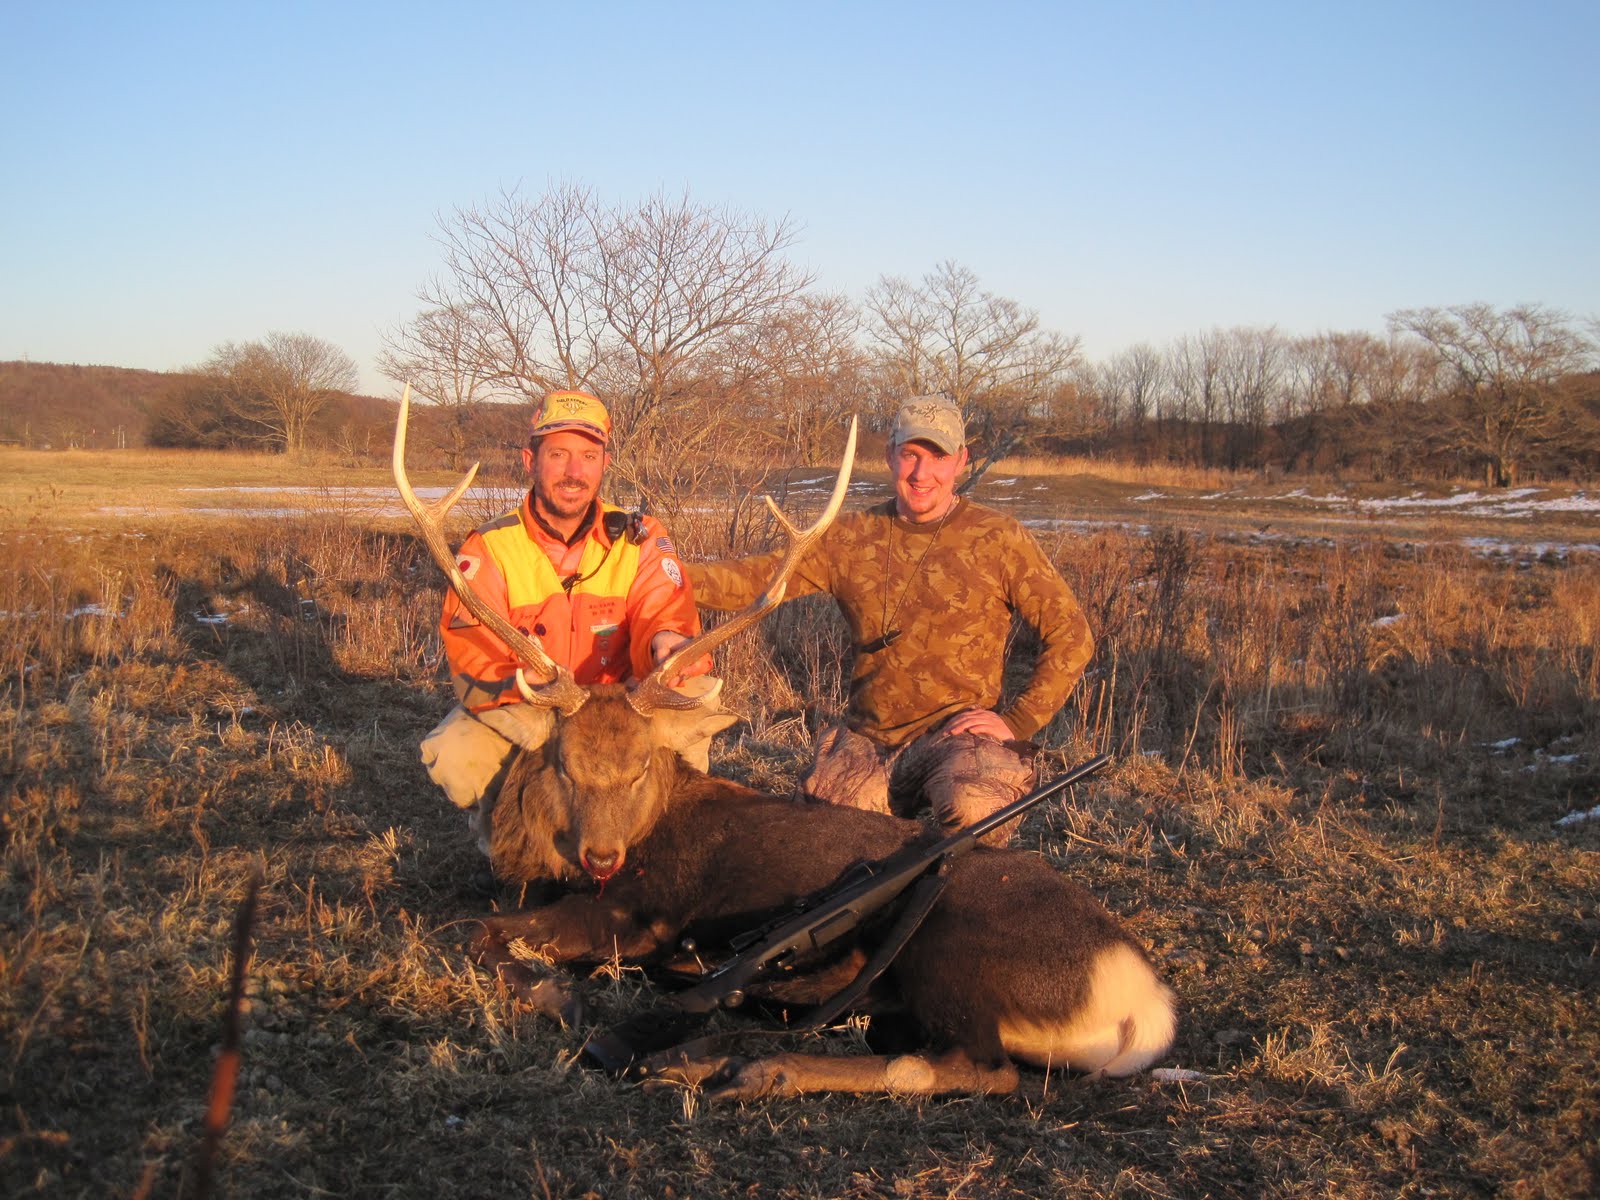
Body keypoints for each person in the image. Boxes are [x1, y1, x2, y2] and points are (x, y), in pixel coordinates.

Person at [686, 395, 1094, 845]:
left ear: (962, 460)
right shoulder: (851, 537)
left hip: (956, 739)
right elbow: (756, 579)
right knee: (820, 838)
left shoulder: (998, 538)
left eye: (938, 457)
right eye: (910, 454)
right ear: (889, 456)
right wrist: (659, 572)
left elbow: (1071, 635)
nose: (922, 473)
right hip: (869, 739)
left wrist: (1016, 722)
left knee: (976, 808)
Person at [420, 389, 709, 855]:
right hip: (541, 708)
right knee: (456, 754)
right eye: (558, 455)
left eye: (589, 456)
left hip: (621, 708)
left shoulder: (639, 539)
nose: (575, 471)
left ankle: (652, 843)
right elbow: (471, 650)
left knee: (695, 699)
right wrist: (521, 681)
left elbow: (664, 605)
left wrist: (666, 639)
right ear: (530, 461)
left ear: (604, 463)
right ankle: (512, 843)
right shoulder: (491, 548)